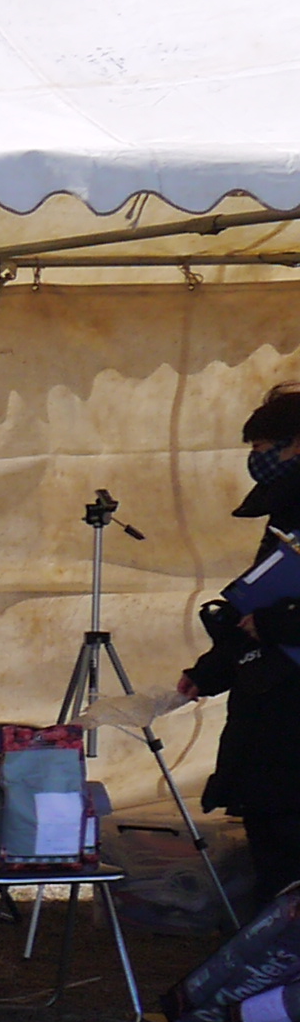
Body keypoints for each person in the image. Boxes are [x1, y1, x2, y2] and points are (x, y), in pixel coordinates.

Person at [180, 385, 300, 911]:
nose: (258, 459)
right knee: (272, 841)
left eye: (266, 447)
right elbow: (257, 599)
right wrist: (210, 669)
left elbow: (270, 612)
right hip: (270, 709)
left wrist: (274, 623)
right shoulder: (284, 512)